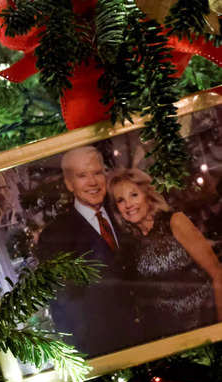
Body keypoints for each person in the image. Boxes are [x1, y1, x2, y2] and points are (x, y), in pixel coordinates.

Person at [36, 146, 138, 356]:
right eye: (82, 175)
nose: (93, 182)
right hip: (106, 350)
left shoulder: (126, 209)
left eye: (97, 173)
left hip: (152, 334)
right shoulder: (55, 235)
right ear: (69, 184)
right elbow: (63, 306)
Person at [108, 168, 222, 341]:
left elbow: (218, 275)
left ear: (147, 194)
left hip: (204, 325)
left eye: (134, 195)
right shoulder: (130, 244)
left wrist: (219, 328)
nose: (128, 204)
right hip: (167, 337)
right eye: (120, 200)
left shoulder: (175, 221)